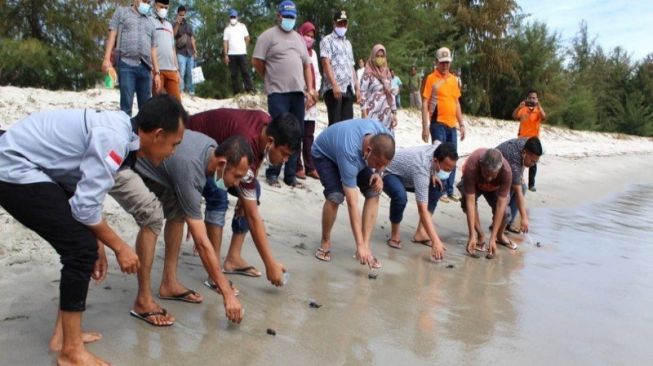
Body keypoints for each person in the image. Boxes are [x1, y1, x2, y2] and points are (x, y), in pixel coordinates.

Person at [0, 95, 185, 366]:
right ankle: (71, 352)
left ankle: (62, 337)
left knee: (84, 245)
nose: (173, 152)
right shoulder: (114, 138)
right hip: (14, 166)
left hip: (38, 168)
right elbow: (84, 207)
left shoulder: (125, 138)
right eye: (174, 144)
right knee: (80, 250)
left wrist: (96, 238)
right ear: (158, 135)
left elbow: (83, 190)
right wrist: (120, 247)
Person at [132, 132, 251, 326]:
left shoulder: (212, 147)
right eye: (236, 176)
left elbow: (191, 195)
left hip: (165, 169)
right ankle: (142, 300)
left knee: (179, 211)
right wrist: (227, 294)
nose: (236, 183)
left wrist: (192, 214)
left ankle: (169, 283)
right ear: (221, 164)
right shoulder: (191, 167)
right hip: (135, 165)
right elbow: (202, 244)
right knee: (152, 218)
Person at [187, 108, 300, 286]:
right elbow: (254, 217)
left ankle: (233, 258)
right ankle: (214, 273)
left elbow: (258, 156)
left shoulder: (266, 124)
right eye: (284, 154)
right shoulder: (248, 138)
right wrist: (270, 265)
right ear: (271, 142)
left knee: (253, 192)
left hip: (222, 155)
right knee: (219, 195)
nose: (285, 160)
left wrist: (246, 193)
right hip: (192, 148)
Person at [312, 119, 395, 268]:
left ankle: (366, 248)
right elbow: (352, 203)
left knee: (374, 190)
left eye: (383, 165)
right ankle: (325, 242)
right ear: (368, 151)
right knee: (335, 196)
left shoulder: (386, 137)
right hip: (325, 154)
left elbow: (385, 160)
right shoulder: (350, 151)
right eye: (377, 163)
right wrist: (358, 244)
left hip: (353, 153)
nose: (380, 167)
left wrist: (378, 172)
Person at [252, 0, 316, 188]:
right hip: (277, 92)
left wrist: (310, 89)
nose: (289, 20)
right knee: (278, 132)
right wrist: (268, 76)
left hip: (297, 93)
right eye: (286, 16)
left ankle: (290, 176)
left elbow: (306, 65)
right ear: (278, 16)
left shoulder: (298, 38)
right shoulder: (267, 36)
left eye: (292, 17)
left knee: (297, 133)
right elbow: (256, 61)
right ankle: (272, 173)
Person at [382, 142, 458, 260]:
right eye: (446, 168)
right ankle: (394, 235)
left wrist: (433, 173)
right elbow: (422, 210)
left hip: (410, 176)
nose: (448, 172)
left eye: (452, 169)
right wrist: (436, 241)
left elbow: (437, 141)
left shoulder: (438, 149)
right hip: (389, 173)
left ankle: (421, 233)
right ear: (435, 161)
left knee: (437, 186)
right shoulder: (421, 168)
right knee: (400, 196)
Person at [421, 47, 466, 203]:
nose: (445, 65)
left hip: (451, 124)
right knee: (439, 155)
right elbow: (425, 101)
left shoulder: (453, 79)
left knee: (453, 155)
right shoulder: (431, 78)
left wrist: (462, 124)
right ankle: (439, 189)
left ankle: (449, 189)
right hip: (437, 122)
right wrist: (424, 126)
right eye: (442, 63)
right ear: (437, 62)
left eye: (447, 62)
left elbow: (456, 102)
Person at [102, 0, 161, 116]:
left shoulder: (151, 21)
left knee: (146, 110)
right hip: (126, 65)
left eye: (148, 2)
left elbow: (153, 49)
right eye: (144, 1)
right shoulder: (121, 12)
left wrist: (157, 72)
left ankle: (140, 134)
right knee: (126, 107)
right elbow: (112, 35)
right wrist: (106, 58)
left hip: (146, 68)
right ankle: (125, 133)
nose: (146, 4)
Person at [457, 148, 513, 258]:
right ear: (481, 165)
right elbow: (470, 201)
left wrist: (492, 238)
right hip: (474, 184)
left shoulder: (507, 172)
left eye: (493, 175)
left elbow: (501, 205)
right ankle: (480, 235)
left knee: (506, 212)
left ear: (499, 170)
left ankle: (498, 236)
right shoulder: (472, 166)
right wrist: (471, 234)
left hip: (495, 189)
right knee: (465, 202)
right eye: (486, 173)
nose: (488, 178)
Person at [320, 10, 360, 125]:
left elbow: (351, 66)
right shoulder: (327, 40)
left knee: (347, 124)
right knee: (335, 124)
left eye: (344, 23)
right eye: (340, 23)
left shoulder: (348, 43)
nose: (342, 26)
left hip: (348, 88)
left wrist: (357, 88)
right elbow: (326, 63)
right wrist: (334, 84)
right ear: (334, 24)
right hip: (334, 89)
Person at [496, 137, 543, 234]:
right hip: (494, 172)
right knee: (518, 190)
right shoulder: (514, 156)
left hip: (508, 169)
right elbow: (518, 191)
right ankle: (499, 224)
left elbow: (522, 162)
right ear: (525, 153)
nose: (533, 164)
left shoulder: (527, 145)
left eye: (536, 162)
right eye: (532, 161)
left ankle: (507, 224)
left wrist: (520, 174)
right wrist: (524, 218)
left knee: (523, 187)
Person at [296, 21, 321, 180]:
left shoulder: (314, 54)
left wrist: (314, 93)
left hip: (312, 98)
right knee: (297, 133)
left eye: (312, 36)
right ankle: (297, 166)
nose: (309, 39)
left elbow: (317, 75)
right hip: (299, 95)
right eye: (307, 35)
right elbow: (296, 73)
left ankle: (310, 166)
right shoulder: (296, 51)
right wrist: (305, 93)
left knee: (309, 135)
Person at [512, 90, 546, 192]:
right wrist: (519, 106)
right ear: (527, 99)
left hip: (534, 139)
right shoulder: (523, 109)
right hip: (522, 138)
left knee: (533, 161)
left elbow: (544, 117)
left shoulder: (538, 110)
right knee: (520, 159)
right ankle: (519, 178)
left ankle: (531, 184)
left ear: (537, 99)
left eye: (534, 98)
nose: (532, 100)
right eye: (530, 98)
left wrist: (539, 106)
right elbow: (514, 116)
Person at [360, 44, 396, 131]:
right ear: (373, 56)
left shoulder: (387, 73)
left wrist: (394, 113)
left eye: (382, 56)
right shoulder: (367, 73)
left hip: (387, 115)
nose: (380, 58)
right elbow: (362, 94)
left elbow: (391, 93)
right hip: (371, 114)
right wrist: (364, 113)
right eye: (377, 56)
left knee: (387, 142)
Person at [152, 0, 181, 100]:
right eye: (161, 7)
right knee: (158, 103)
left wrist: (177, 70)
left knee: (177, 104)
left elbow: (173, 48)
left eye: (166, 7)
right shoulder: (150, 21)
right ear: (155, 5)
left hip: (172, 70)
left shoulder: (169, 25)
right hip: (157, 70)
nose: (163, 9)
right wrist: (155, 71)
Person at [223, 9, 253, 94]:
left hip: (242, 53)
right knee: (234, 74)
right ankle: (236, 92)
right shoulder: (227, 29)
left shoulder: (242, 26)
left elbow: (247, 38)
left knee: (245, 72)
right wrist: (226, 55)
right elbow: (225, 42)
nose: (233, 18)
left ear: (237, 17)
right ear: (229, 17)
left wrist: (244, 46)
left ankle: (249, 89)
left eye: (234, 17)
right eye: (231, 17)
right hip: (231, 54)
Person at [174, 5, 197, 96]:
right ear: (178, 14)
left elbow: (192, 38)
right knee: (181, 72)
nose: (182, 17)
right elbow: (173, 35)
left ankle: (191, 91)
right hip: (180, 52)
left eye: (183, 15)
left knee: (191, 73)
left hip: (190, 52)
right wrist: (177, 23)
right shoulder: (174, 24)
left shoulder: (189, 25)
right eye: (181, 15)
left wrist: (195, 50)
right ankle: (181, 90)